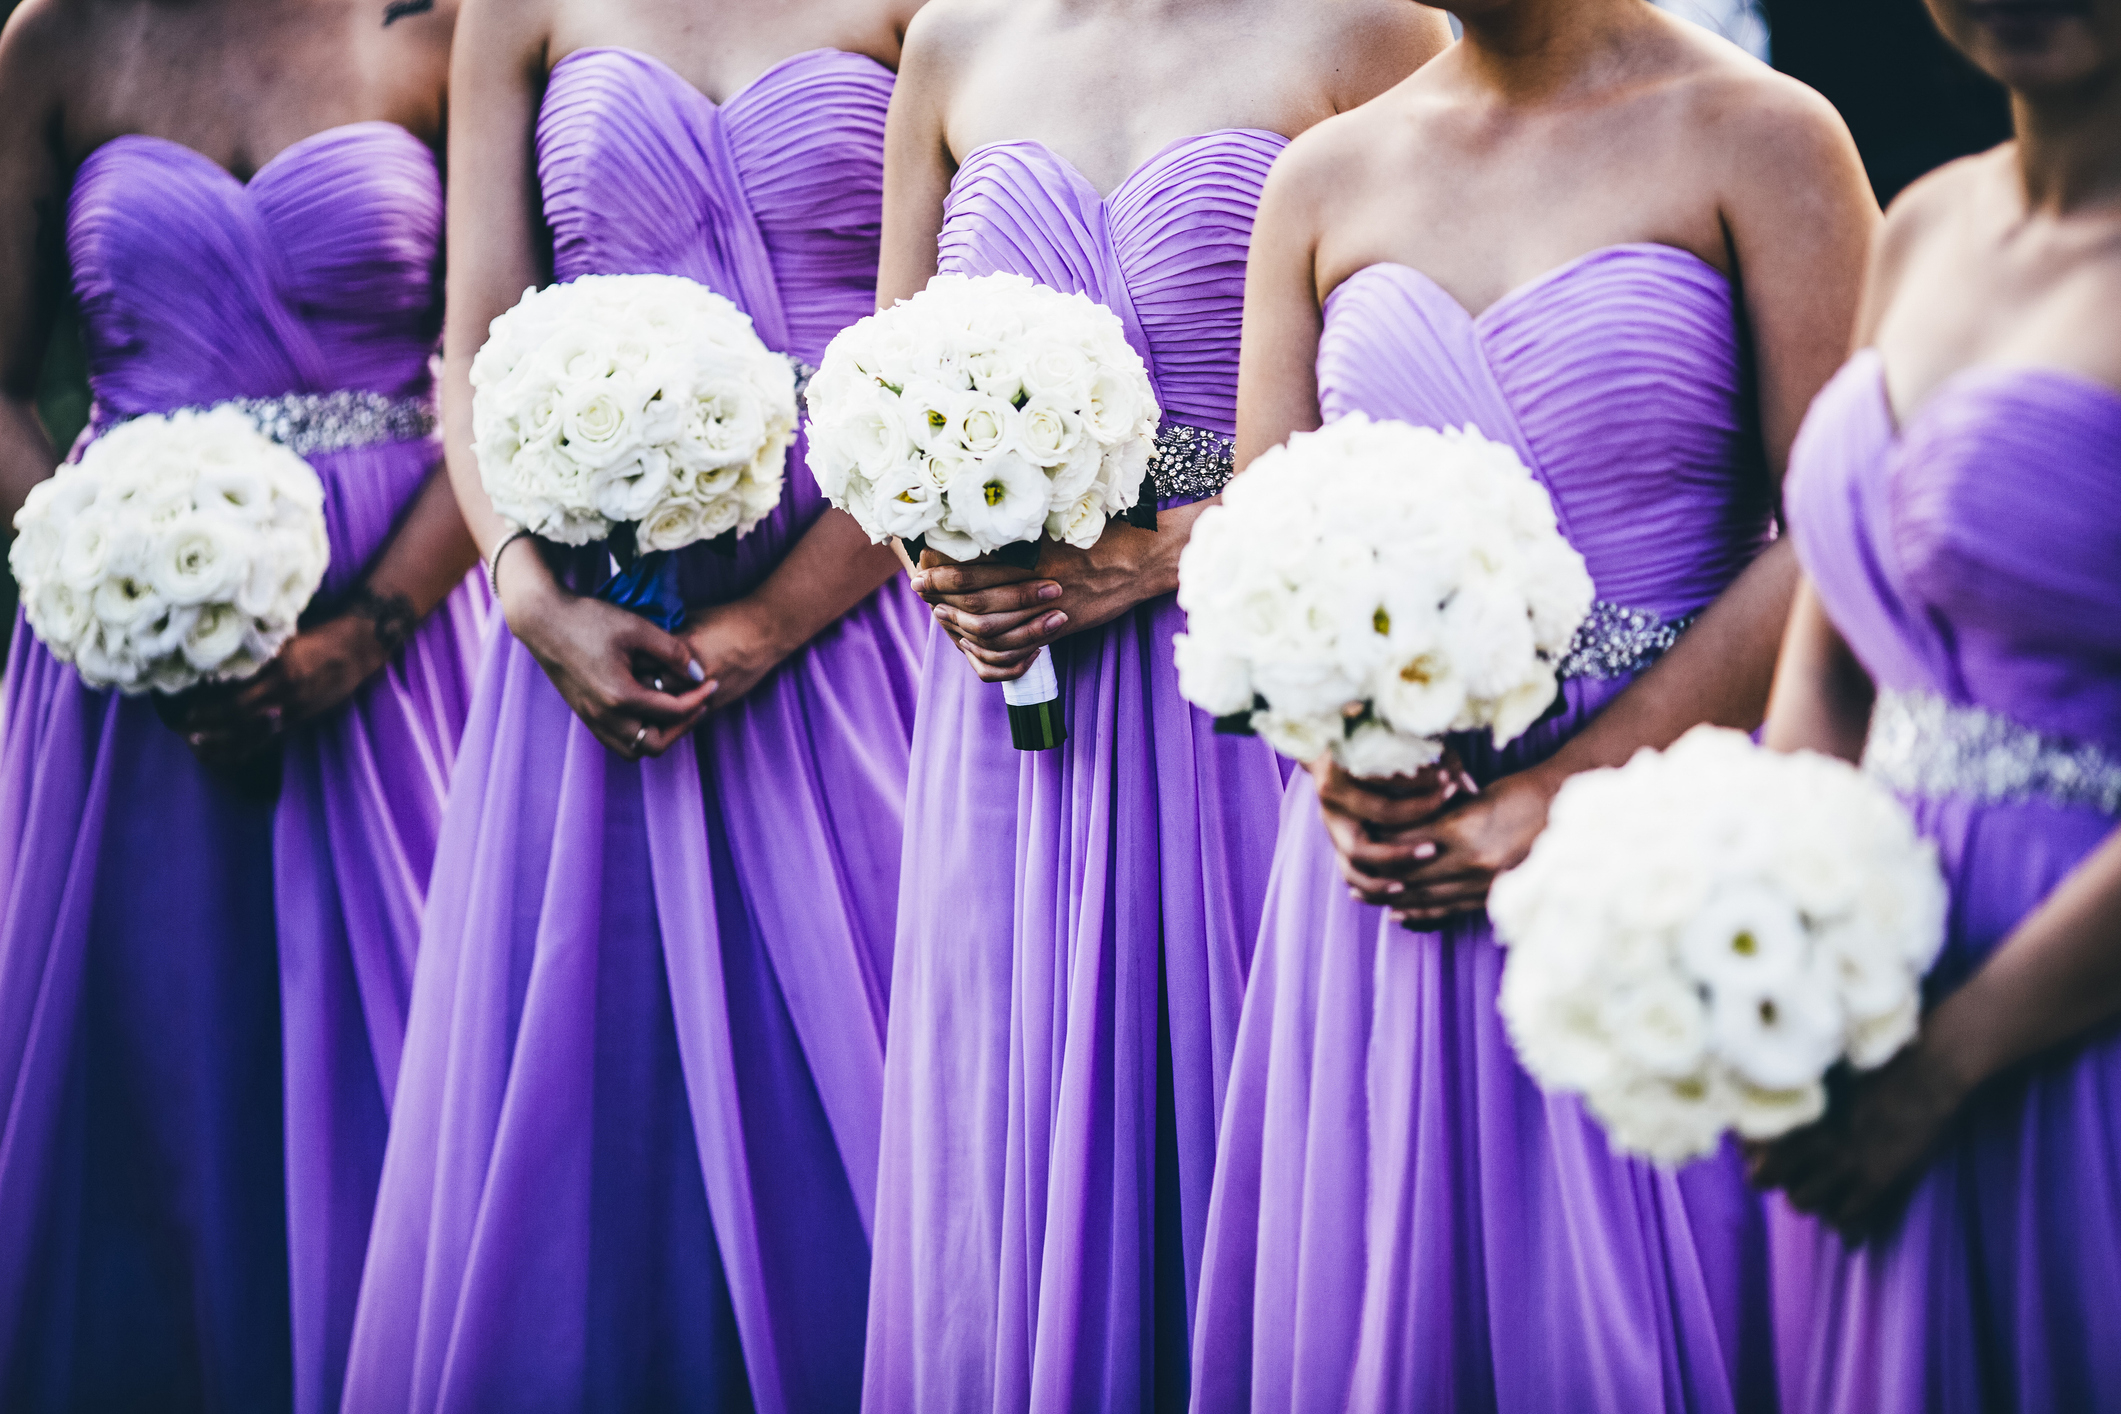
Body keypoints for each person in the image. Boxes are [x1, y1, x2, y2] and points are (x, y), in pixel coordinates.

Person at [1189, 2, 1875, 1409]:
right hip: (1392, 852)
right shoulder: (1323, 175)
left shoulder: (1763, 135)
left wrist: (1558, 797)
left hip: (1661, 854)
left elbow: (1834, 533)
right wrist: (1340, 765)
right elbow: (1263, 541)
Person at [859, 3, 1450, 1409]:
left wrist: (1158, 554)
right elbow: (874, 393)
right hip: (1008, 707)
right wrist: (940, 556)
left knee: (1245, 1118)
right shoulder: (952, 40)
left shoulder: (1374, 30)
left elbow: (1417, 404)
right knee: (1014, 1143)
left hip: (1253, 680)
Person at [339, 0, 928, 1407]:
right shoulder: (516, 14)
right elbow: (474, 330)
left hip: (849, 613)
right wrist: (526, 594)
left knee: (868, 1082)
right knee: (589, 1107)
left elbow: (930, 365)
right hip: (583, 640)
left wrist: (775, 619)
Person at [0, 0, 484, 1407]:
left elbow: (498, 370)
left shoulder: (433, 27)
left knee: (405, 1064)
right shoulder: (60, 41)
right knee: (152, 1065)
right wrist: (112, 580)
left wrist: (370, 630)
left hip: (411, 629)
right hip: (128, 663)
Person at [1750, 0, 2121, 1407]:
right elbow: (1835, 634)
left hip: (2061, 1009)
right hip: (1873, 981)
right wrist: (1778, 927)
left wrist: (1945, 1062)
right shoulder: (1918, 226)